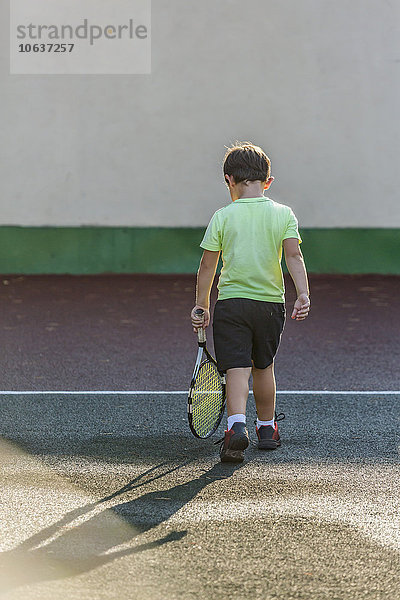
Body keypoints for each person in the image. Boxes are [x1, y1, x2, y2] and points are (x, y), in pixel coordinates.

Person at [190, 142, 310, 463]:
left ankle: (235, 426)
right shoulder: (284, 214)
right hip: (271, 306)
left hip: (232, 305)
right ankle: (267, 429)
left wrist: (202, 304)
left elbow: (207, 267)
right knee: (264, 367)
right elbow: (294, 256)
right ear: (267, 182)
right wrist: (303, 293)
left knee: (237, 370)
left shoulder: (223, 216)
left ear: (229, 180)